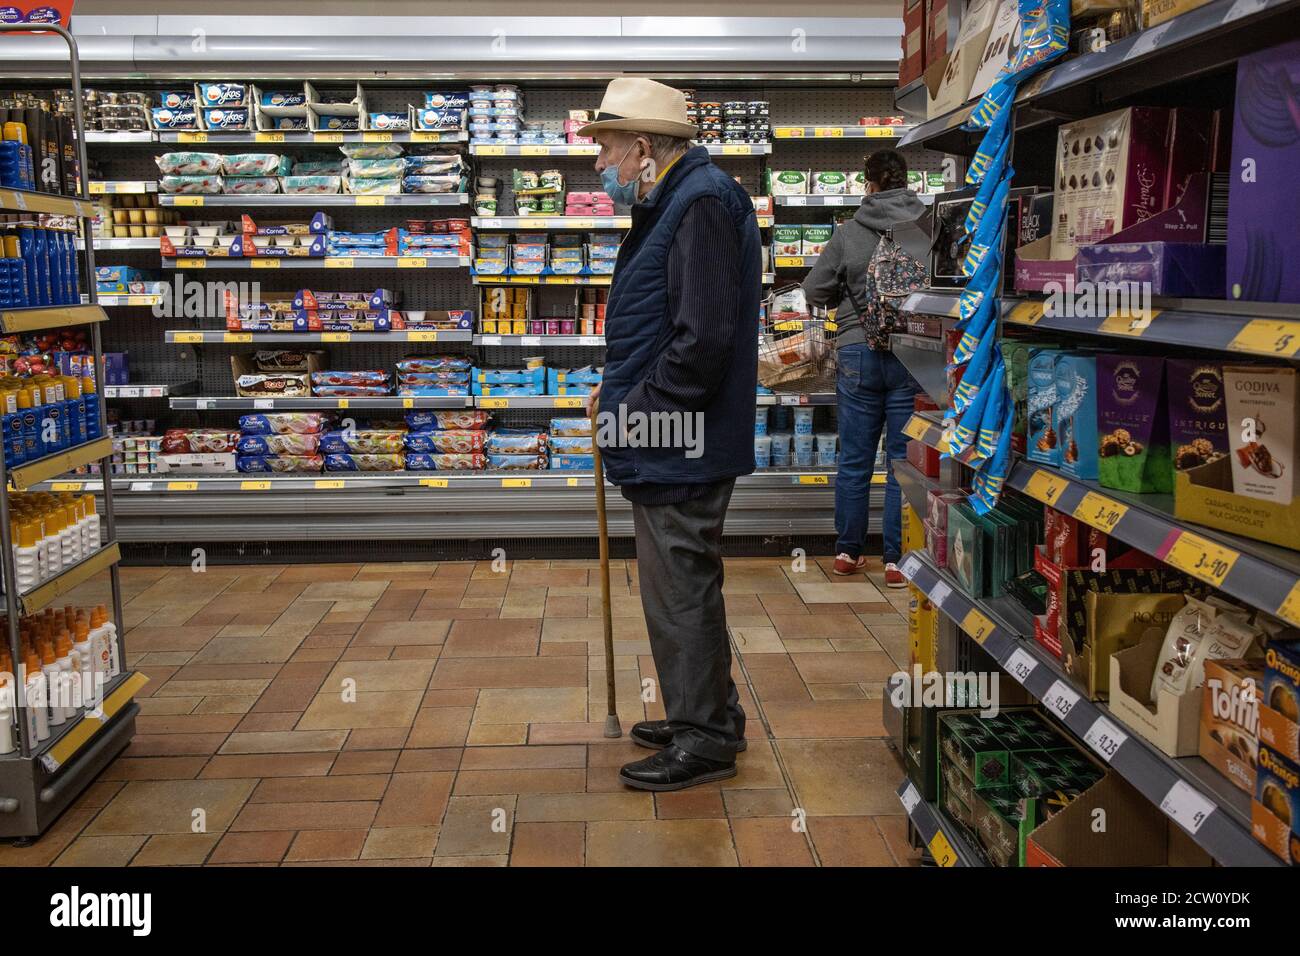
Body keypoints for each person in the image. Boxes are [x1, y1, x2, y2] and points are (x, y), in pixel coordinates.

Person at [578, 78, 761, 791]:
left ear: (645, 149)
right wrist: (619, 387)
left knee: (678, 587)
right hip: (670, 429)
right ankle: (708, 710)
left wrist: (632, 411)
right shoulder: (679, 199)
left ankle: (705, 739)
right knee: (685, 581)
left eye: (607, 150)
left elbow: (701, 342)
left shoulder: (699, 205)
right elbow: (671, 324)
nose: (601, 166)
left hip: (677, 437)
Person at [802, 149, 929, 588]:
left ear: (869, 184)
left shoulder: (849, 231)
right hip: (913, 352)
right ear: (907, 181)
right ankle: (897, 560)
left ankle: (847, 552)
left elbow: (814, 290)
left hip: (857, 351)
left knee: (854, 460)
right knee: (901, 460)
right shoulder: (928, 228)